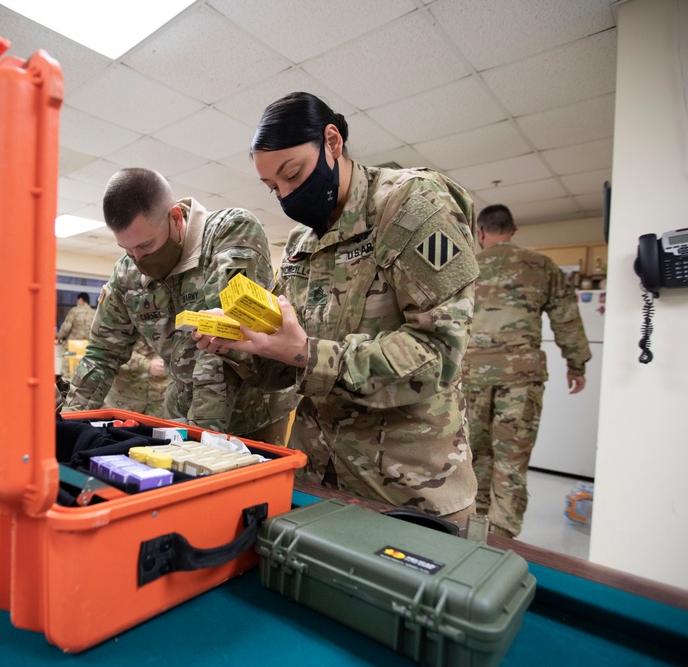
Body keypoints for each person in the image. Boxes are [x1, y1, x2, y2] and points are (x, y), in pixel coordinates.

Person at [196, 92, 479, 524]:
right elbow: (285, 368)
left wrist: (306, 353)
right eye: (273, 188)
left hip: (409, 491)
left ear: (332, 141)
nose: (287, 195)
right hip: (318, 479)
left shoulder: (412, 206)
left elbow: (439, 355)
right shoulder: (301, 244)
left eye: (292, 174)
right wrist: (241, 342)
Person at [62, 167, 296, 446]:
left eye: (146, 246)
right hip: (184, 411)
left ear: (174, 218)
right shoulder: (127, 274)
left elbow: (222, 340)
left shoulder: (230, 233)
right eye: (127, 250)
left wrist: (199, 444)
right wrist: (68, 427)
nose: (137, 259)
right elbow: (101, 356)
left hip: (255, 413)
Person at [462, 204, 591, 538]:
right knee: (511, 461)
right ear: (513, 230)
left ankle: (472, 529)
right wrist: (576, 364)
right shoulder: (541, 266)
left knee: (475, 458)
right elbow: (566, 318)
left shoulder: (466, 266)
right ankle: (502, 537)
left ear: (480, 232)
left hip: (471, 376)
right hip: (521, 380)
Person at [104, 336, 169, 419]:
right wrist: (146, 364)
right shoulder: (120, 324)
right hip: (125, 399)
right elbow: (109, 349)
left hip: (160, 399)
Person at [56, 292, 95, 381]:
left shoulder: (74, 310)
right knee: (83, 374)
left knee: (66, 373)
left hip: (73, 346)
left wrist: (59, 337)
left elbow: (67, 326)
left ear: (81, 300)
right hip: (87, 347)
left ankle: (64, 388)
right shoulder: (94, 313)